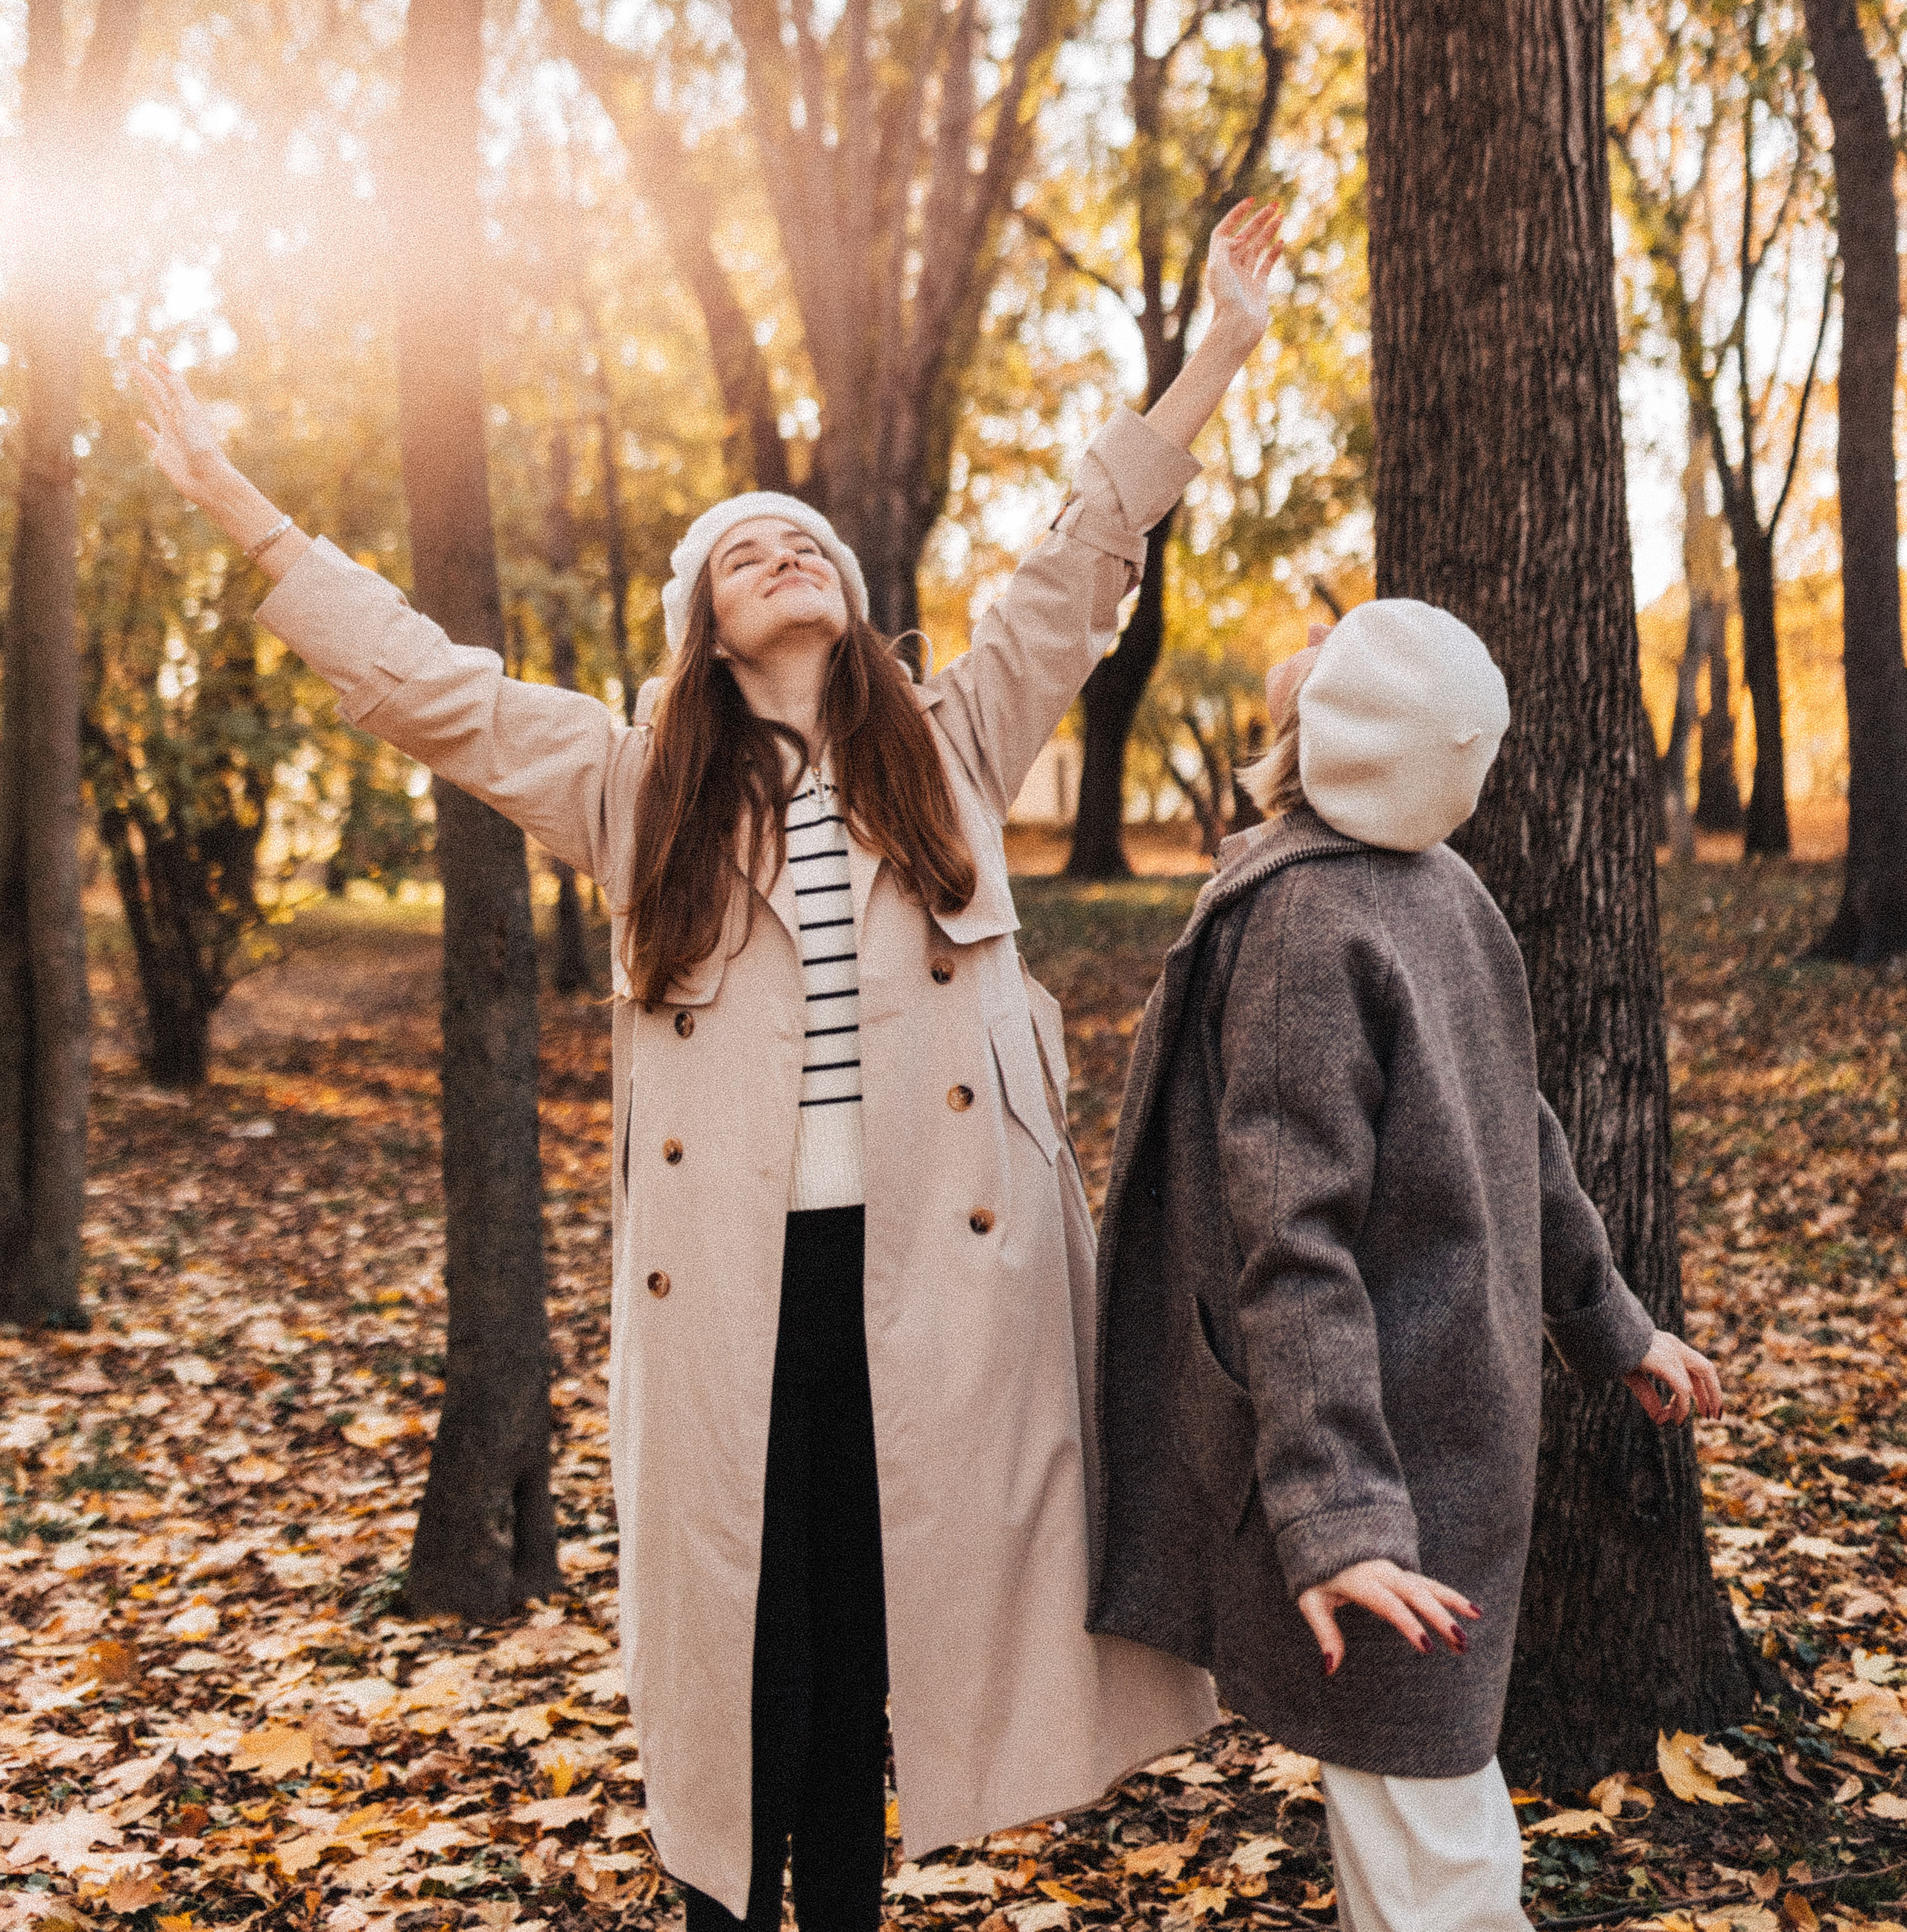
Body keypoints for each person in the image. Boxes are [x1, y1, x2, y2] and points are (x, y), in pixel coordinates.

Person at [132, 201, 1289, 1932]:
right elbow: (418, 685)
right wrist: (234, 496)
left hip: (939, 1295)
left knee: (876, 1638)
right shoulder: (630, 788)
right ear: (703, 624)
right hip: (738, 1296)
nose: (785, 554)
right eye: (744, 551)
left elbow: (1088, 549)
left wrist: (1217, 350)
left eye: (804, 541)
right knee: (757, 1650)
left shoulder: (958, 740)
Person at [1088, 598, 1722, 1932]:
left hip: (1427, 1450)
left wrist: (1610, 1323)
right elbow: (1292, 1245)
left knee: (1431, 1826)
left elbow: (1517, 1126)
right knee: (1430, 1830)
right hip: (1378, 1464)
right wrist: (1338, 1520)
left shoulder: (1411, 900)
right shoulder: (1331, 911)